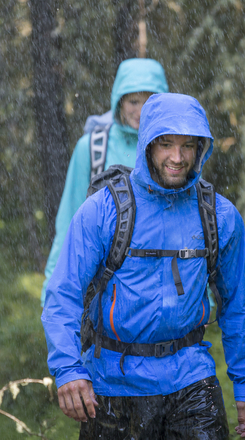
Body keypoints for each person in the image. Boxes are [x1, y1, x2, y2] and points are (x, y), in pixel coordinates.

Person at [41, 93, 245, 439]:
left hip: (192, 379)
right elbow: (63, 294)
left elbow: (238, 305)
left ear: (201, 149)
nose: (177, 158)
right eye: (165, 144)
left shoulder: (219, 217)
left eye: (188, 146)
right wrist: (69, 370)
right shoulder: (103, 211)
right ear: (146, 145)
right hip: (113, 383)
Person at [40, 58, 169, 306]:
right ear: (119, 101)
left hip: (159, 296)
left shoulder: (174, 151)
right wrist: (53, 292)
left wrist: (200, 295)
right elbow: (69, 223)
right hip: (103, 294)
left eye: (150, 101)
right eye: (133, 101)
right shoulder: (92, 148)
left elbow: (189, 224)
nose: (141, 111)